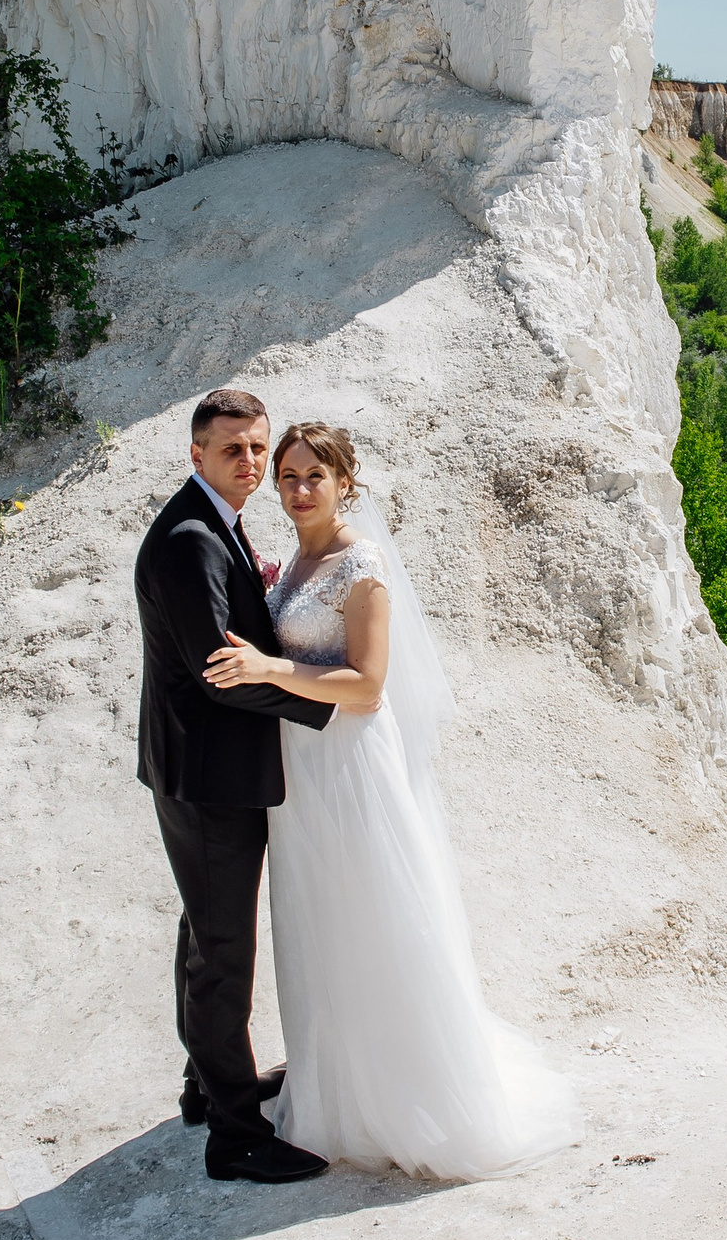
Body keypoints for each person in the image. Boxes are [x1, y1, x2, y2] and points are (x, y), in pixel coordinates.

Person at [201, 420, 578, 1182]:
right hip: (300, 768)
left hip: (347, 762)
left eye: (315, 476)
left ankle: (410, 1097)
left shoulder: (361, 562)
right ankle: (337, 1085)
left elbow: (368, 687)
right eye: (288, 477)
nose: (300, 489)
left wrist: (271, 668)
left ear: (345, 482)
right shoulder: (295, 560)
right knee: (319, 924)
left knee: (370, 915)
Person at [134, 390, 336, 1185]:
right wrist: (324, 705)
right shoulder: (191, 538)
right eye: (232, 450)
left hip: (194, 765)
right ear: (197, 455)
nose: (250, 462)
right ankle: (235, 1136)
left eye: (257, 447)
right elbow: (220, 674)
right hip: (208, 774)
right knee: (223, 952)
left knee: (205, 930)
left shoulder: (212, 519)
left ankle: (206, 1083)